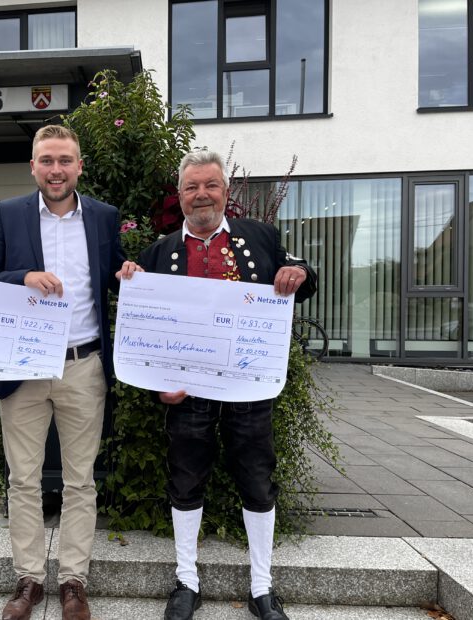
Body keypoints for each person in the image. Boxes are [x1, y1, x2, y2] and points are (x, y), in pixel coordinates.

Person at [137, 149, 316, 620]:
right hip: (187, 392)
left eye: (210, 185)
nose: (202, 195)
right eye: (192, 187)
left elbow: (302, 274)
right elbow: (144, 329)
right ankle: (186, 581)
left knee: (257, 480)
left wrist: (299, 272)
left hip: (248, 388)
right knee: (185, 479)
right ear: (180, 195)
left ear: (225, 190)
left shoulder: (259, 236)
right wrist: (157, 384)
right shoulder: (158, 252)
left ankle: (262, 587)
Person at [0, 124, 138, 620]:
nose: (56, 169)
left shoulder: (104, 217)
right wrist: (22, 277)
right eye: (47, 160)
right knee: (23, 479)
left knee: (80, 481)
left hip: (84, 366)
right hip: (24, 365)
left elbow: (114, 275)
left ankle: (73, 582)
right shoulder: (9, 213)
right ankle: (28, 580)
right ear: (33, 166)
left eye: (65, 160)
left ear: (79, 166)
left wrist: (129, 273)